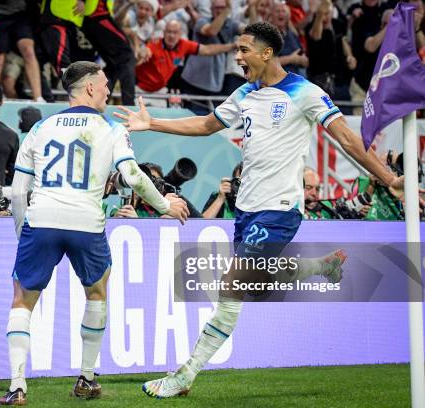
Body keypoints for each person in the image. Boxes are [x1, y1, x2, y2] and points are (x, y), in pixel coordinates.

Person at [114, 21, 405, 398]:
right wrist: (152, 123)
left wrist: (386, 177)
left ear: (266, 53)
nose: (237, 57)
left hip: (280, 208)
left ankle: (184, 376)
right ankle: (321, 267)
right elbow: (205, 124)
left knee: (232, 285)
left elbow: (348, 139)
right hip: (247, 208)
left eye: (243, 50)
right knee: (260, 286)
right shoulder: (245, 93)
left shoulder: (305, 92)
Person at [0, 61, 189, 405]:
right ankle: (85, 378)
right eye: (104, 86)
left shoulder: (40, 127)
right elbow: (132, 175)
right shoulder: (111, 129)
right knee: (97, 294)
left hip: (42, 221)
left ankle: (17, 385)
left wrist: (22, 232)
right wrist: (165, 206)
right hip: (86, 222)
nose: (108, 91)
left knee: (22, 300)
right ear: (88, 89)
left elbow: (19, 188)